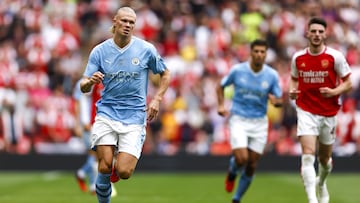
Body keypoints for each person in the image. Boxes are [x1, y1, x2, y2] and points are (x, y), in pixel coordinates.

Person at [79, 6, 171, 203]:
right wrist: (90, 82)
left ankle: (115, 170)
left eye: (131, 22)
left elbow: (165, 73)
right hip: (106, 114)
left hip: (134, 116)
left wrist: (157, 99)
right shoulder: (100, 51)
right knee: (103, 166)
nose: (128, 25)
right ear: (115, 21)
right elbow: (83, 86)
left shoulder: (146, 50)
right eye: (124, 21)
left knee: (124, 171)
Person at [289, 17, 352, 203]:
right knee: (308, 155)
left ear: (325, 34)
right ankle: (312, 200)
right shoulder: (298, 58)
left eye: (320, 32)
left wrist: (334, 91)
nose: (316, 35)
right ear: (307, 33)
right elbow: (294, 78)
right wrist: (292, 91)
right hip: (306, 110)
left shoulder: (335, 57)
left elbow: (348, 83)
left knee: (324, 160)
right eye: (313, 31)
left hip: (328, 112)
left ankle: (322, 183)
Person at [217, 39, 283, 203]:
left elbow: (279, 98)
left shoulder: (271, 75)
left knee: (252, 164)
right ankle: (232, 172)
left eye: (263, 52)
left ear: (266, 54)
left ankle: (237, 199)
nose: (259, 55)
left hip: (259, 122)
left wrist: (277, 102)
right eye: (257, 51)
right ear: (251, 52)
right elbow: (220, 86)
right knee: (242, 159)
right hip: (239, 118)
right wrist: (220, 105)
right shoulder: (238, 70)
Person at [73, 80, 117, 197]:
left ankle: (88, 178)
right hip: (90, 122)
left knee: (95, 155)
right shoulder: (83, 83)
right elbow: (80, 103)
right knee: (97, 154)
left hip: (96, 120)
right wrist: (81, 122)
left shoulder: (98, 81)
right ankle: (92, 180)